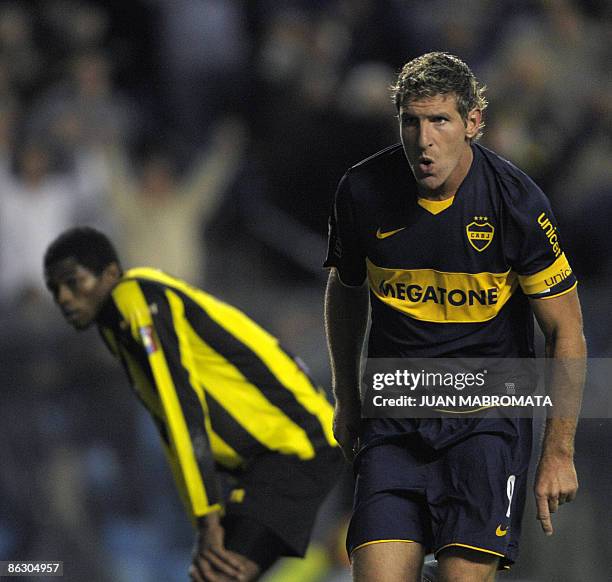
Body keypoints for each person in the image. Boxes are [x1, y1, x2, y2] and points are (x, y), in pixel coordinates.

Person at [324, 52, 586, 581]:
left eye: (440, 120)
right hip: (395, 422)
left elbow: (566, 328)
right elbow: (346, 289)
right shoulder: (362, 192)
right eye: (412, 121)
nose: (424, 139)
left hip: (484, 429)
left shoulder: (516, 204)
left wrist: (558, 450)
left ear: (472, 123)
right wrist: (347, 397)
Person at [43, 226, 341, 582]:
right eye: (54, 288)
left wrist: (209, 516)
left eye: (73, 282)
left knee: (219, 574)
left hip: (297, 446)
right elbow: (168, 425)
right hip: (270, 458)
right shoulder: (115, 325)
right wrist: (204, 519)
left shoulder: (135, 296)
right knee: (214, 574)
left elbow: (183, 409)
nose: (63, 297)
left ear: (109, 274)